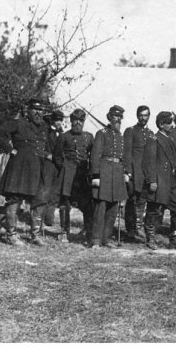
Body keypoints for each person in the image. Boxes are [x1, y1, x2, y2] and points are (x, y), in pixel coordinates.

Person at [0, 98, 50, 246]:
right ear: (28, 110)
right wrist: (10, 149)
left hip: (38, 169)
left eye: (41, 110)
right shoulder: (18, 123)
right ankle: (11, 235)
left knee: (39, 200)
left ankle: (35, 235)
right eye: (35, 109)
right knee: (14, 200)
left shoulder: (45, 127)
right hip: (20, 168)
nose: (38, 112)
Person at [142, 111, 176, 250]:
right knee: (153, 211)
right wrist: (152, 181)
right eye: (169, 122)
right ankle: (150, 238)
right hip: (159, 181)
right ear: (161, 124)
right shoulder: (153, 139)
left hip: (171, 182)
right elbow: (148, 163)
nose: (172, 125)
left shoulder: (171, 139)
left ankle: (174, 238)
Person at [53, 109, 94, 244]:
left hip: (82, 175)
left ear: (83, 122)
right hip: (68, 175)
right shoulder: (64, 137)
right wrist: (65, 169)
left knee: (88, 205)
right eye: (75, 120)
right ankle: (64, 231)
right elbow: (57, 157)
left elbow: (92, 155)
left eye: (80, 120)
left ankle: (89, 231)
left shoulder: (89, 137)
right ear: (71, 121)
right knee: (65, 204)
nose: (77, 123)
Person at [90, 105, 128, 249]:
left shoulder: (121, 136)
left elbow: (124, 157)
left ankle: (106, 238)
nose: (118, 119)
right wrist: (96, 175)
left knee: (113, 209)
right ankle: (96, 240)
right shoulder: (102, 133)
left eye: (120, 117)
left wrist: (125, 173)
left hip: (117, 173)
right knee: (101, 208)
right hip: (104, 172)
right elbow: (95, 155)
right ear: (109, 117)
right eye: (115, 116)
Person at [123, 105, 154, 242]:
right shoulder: (130, 131)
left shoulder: (151, 133)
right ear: (137, 116)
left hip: (145, 172)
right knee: (131, 200)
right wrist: (128, 171)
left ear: (149, 116)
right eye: (141, 115)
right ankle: (130, 229)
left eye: (146, 115)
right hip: (134, 171)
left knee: (142, 201)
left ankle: (139, 227)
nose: (143, 118)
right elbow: (127, 153)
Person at [42, 109, 65, 232]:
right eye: (57, 120)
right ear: (53, 120)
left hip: (58, 166)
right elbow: (40, 147)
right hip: (48, 164)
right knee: (45, 190)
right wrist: (47, 155)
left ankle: (49, 219)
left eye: (61, 120)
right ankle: (42, 218)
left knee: (55, 192)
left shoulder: (61, 133)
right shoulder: (46, 132)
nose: (59, 122)